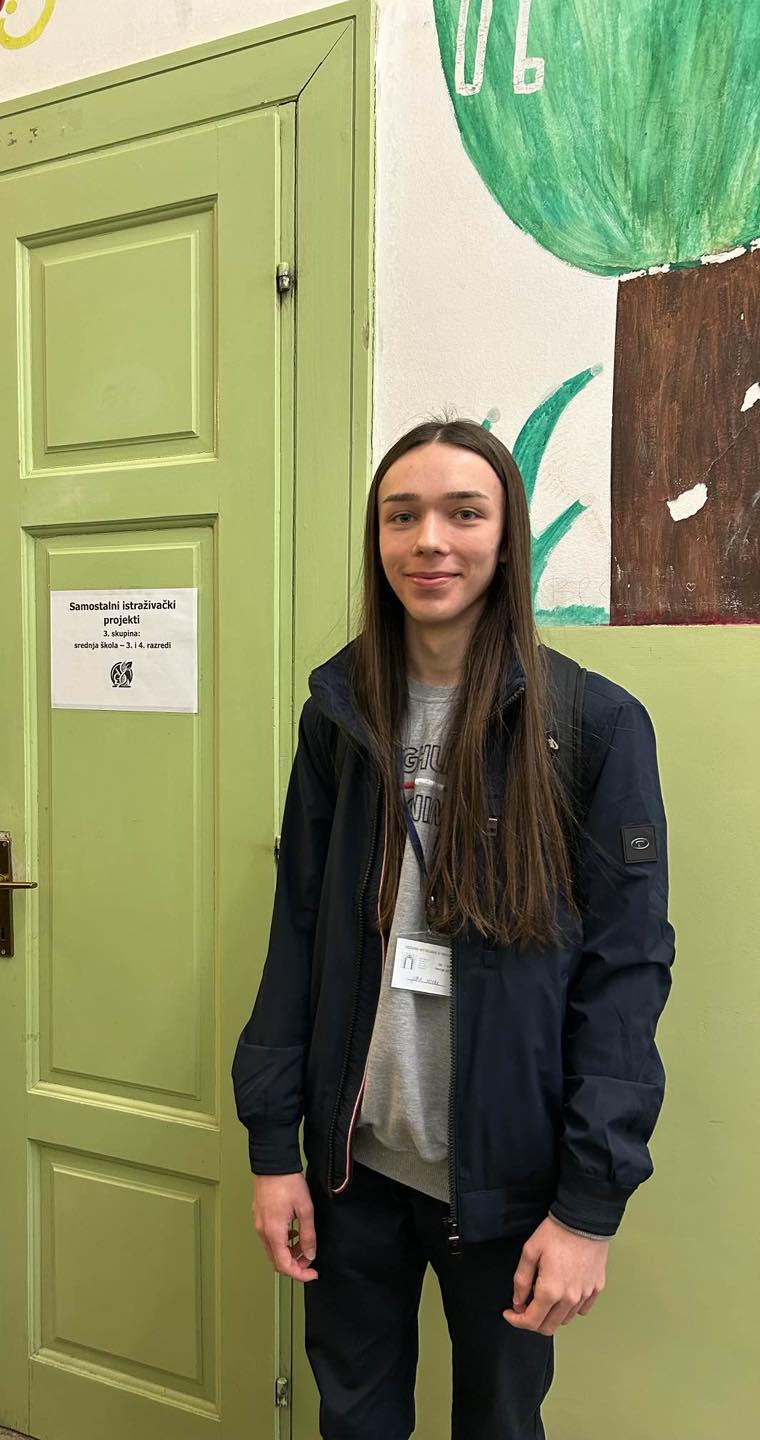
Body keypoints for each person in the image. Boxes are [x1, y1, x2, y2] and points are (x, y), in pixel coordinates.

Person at [231, 419, 675, 1440]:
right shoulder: (339, 715)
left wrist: (588, 1208)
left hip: (511, 1190)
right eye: (403, 516)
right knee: (355, 1419)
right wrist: (274, 1147)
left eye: (463, 513)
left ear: (506, 537)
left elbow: (626, 978)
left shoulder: (594, 727)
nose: (430, 540)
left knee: (499, 1426)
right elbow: (296, 934)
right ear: (378, 540)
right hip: (353, 1168)